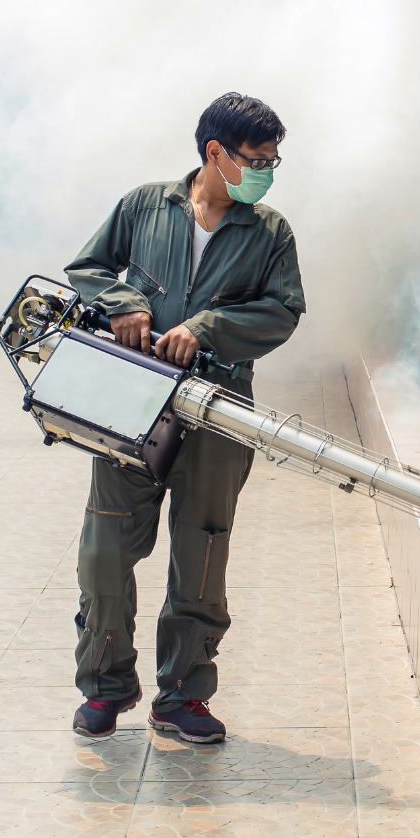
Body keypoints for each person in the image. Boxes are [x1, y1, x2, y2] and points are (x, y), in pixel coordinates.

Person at [64, 93, 305, 743]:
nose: (266, 172)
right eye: (257, 159)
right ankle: (104, 687)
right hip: (129, 402)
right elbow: (87, 268)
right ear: (214, 153)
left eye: (274, 161)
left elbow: (282, 312)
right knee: (105, 551)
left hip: (218, 413)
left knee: (202, 552)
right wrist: (123, 303)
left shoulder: (269, 233)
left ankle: (182, 697)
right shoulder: (144, 206)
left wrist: (206, 327)